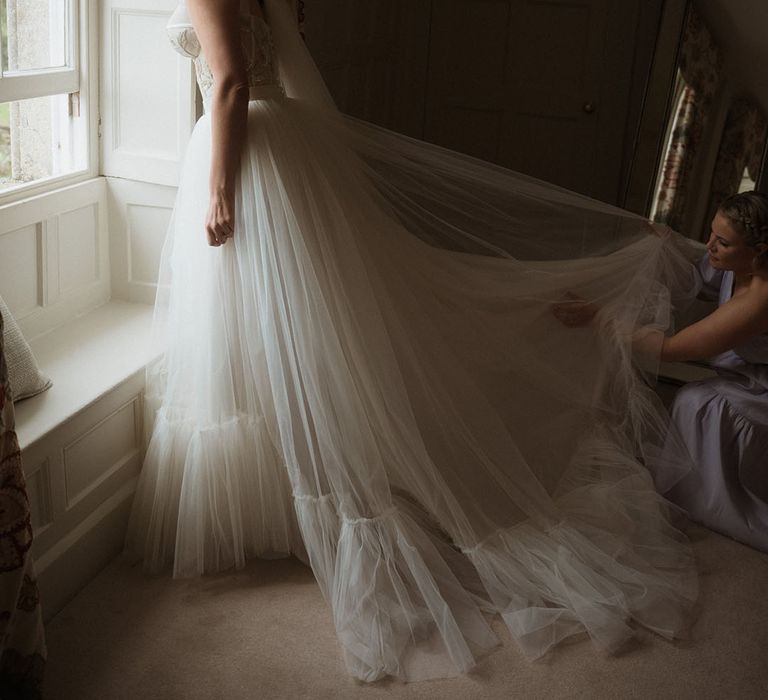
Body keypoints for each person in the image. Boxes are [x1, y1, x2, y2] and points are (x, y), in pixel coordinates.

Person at [127, 0, 701, 682]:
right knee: (277, 338)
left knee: (286, 336)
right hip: (274, 146)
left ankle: (324, 502)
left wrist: (218, 189)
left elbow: (229, 82)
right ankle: (278, 508)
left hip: (244, 152)